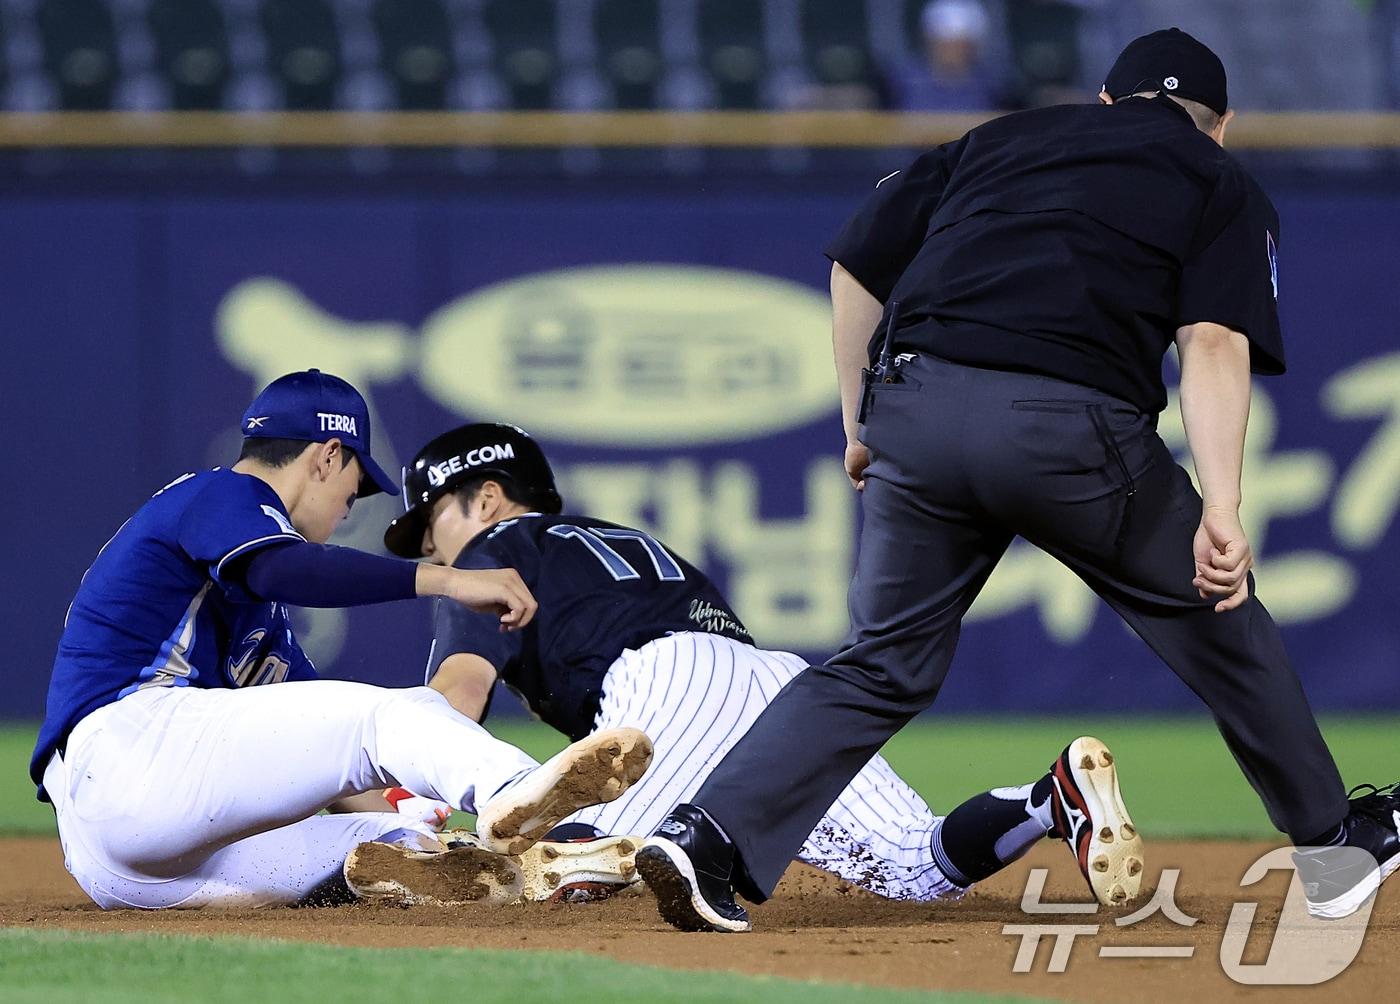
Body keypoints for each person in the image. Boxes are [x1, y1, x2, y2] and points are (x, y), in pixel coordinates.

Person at [635, 28, 1400, 932]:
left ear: (1107, 101)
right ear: (1221, 125)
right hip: (1066, 426)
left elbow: (854, 265)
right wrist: (1223, 508)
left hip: (916, 407)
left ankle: (709, 835)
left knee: (880, 662)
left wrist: (859, 422)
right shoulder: (1219, 179)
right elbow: (1213, 343)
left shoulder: (999, 138)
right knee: (1216, 614)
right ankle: (1334, 846)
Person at [343, 422, 1141, 911]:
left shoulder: (487, 555)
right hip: (772, 681)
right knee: (913, 865)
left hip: (664, 685)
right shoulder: (632, 543)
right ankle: (1051, 798)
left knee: (581, 856)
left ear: (485, 500)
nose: (430, 549)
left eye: (431, 525)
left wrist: (398, 790)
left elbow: (456, 697)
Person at [29, 369, 651, 909]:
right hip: (129, 751)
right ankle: (525, 800)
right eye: (353, 483)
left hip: (131, 863)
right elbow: (283, 568)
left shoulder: (256, 619)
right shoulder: (219, 494)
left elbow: (328, 766)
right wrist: (449, 580)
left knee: (394, 848)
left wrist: (410, 812)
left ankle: (552, 869)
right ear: (327, 456)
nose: (351, 505)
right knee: (392, 713)